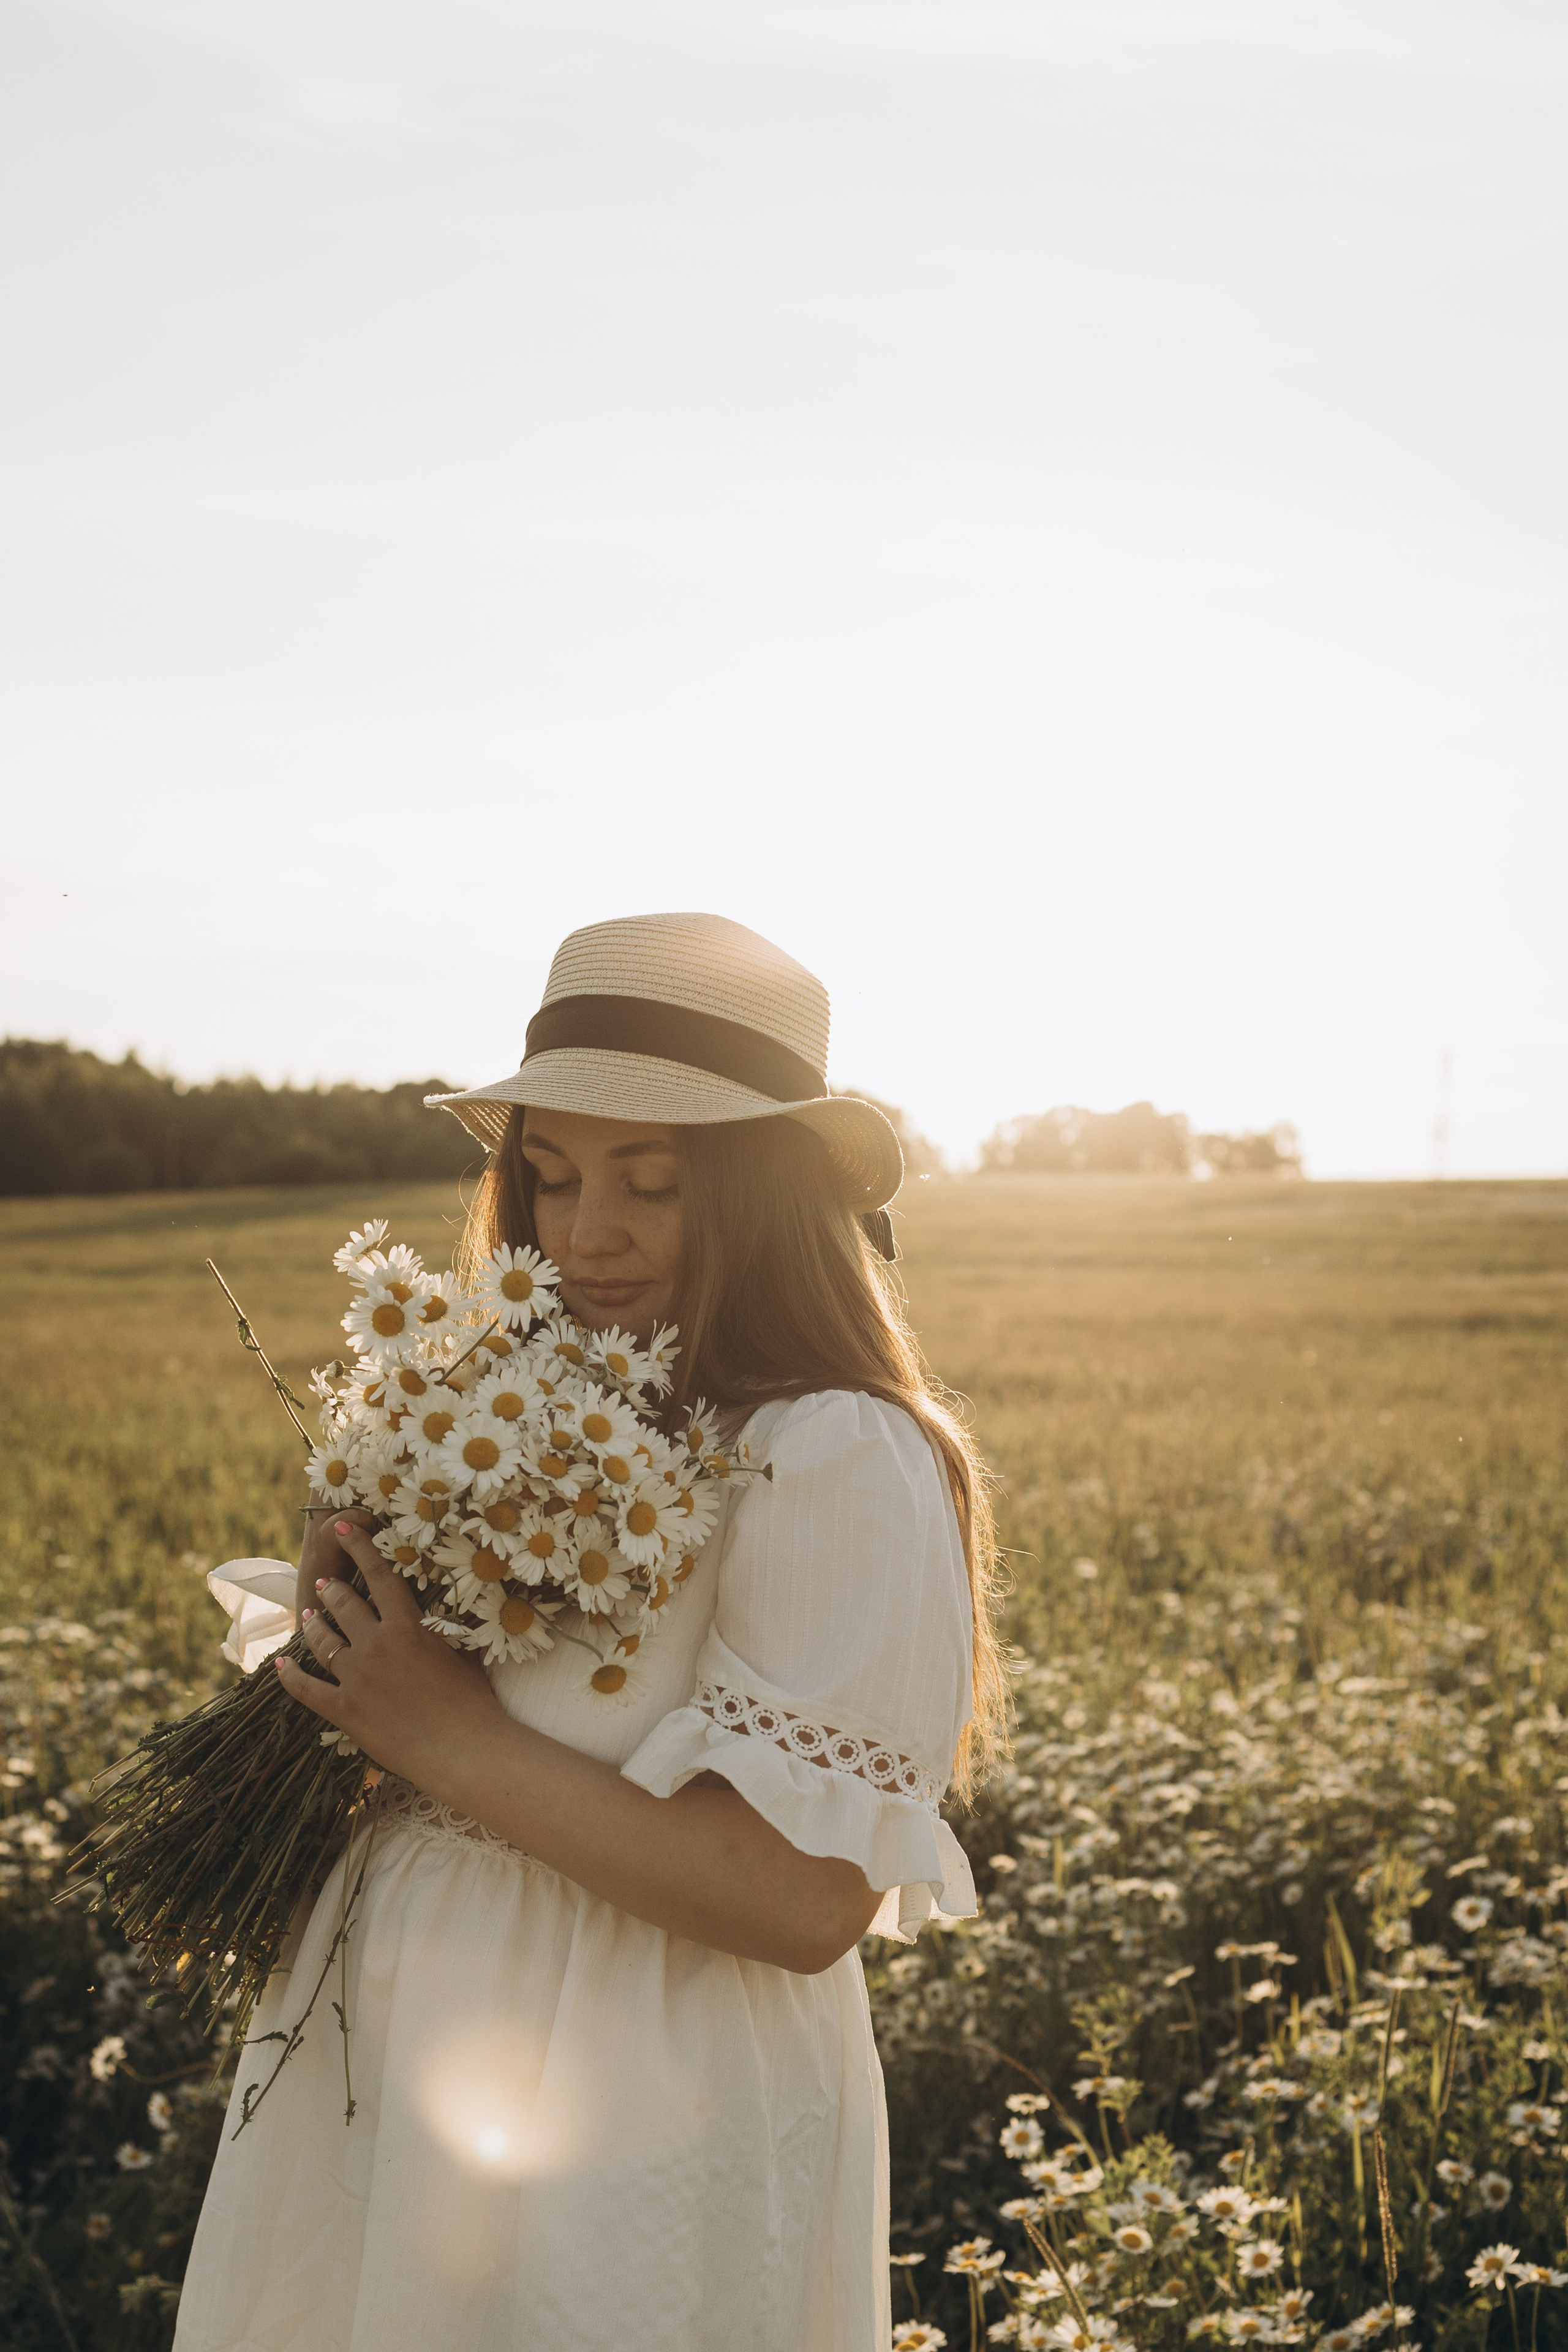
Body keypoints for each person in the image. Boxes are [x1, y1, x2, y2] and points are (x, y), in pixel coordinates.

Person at [174, 911, 1005, 2352]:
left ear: (764, 1192)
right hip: (395, 2056)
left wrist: (436, 1729)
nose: (586, 1232)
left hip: (638, 2096)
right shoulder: (523, 1408)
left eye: (653, 1182)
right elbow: (417, 1728)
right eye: (550, 1177)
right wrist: (348, 1621)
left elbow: (803, 1901)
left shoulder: (832, 1451)